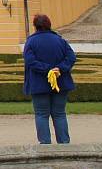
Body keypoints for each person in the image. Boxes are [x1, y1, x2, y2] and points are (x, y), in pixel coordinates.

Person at [23, 13, 76, 144]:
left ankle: (45, 145)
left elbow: (31, 61)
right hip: (60, 82)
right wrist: (58, 68)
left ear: (35, 26)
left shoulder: (31, 41)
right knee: (59, 114)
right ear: (49, 25)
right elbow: (71, 57)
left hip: (39, 84)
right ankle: (64, 143)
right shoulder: (60, 40)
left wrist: (47, 69)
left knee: (41, 114)